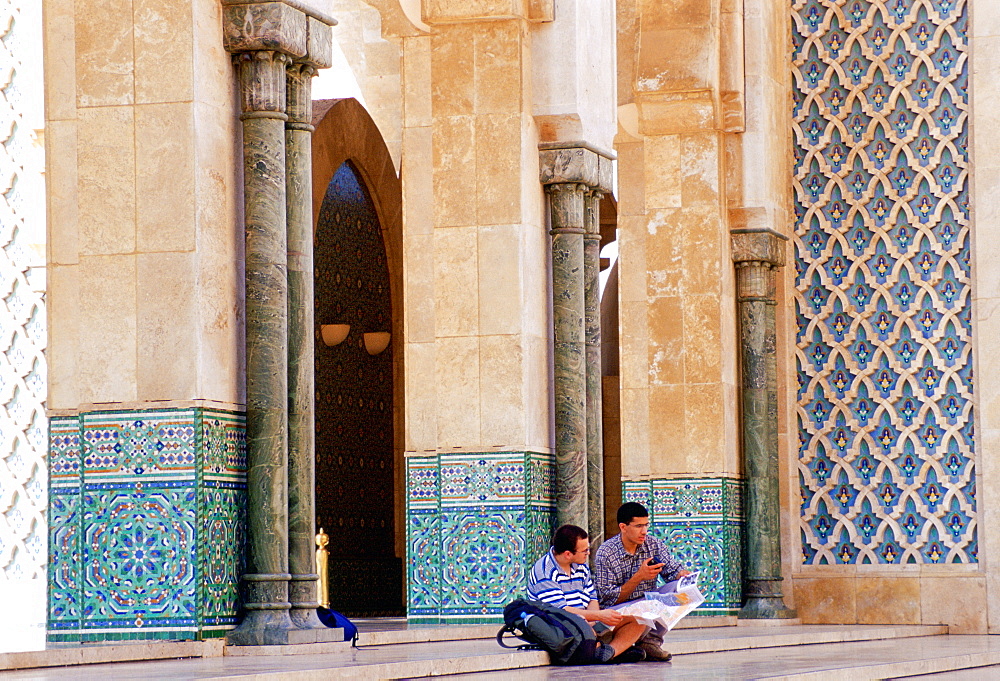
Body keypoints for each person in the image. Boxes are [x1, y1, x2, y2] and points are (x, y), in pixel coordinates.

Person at [527, 524, 648, 664]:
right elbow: (560, 611)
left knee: (640, 620)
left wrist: (595, 620)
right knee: (582, 623)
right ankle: (610, 652)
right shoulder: (544, 572)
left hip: (588, 620)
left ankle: (607, 652)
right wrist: (597, 617)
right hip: (563, 625)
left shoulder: (580, 566)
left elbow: (592, 598)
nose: (588, 553)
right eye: (584, 551)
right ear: (568, 554)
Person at [594, 502, 690, 662]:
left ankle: (650, 643)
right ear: (623, 527)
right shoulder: (606, 552)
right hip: (620, 611)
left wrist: (682, 575)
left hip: (647, 604)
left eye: (646, 525)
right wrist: (639, 576)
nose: (644, 531)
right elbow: (607, 599)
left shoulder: (653, 544)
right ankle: (621, 646)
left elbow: (671, 570)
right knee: (643, 608)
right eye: (638, 526)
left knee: (680, 590)